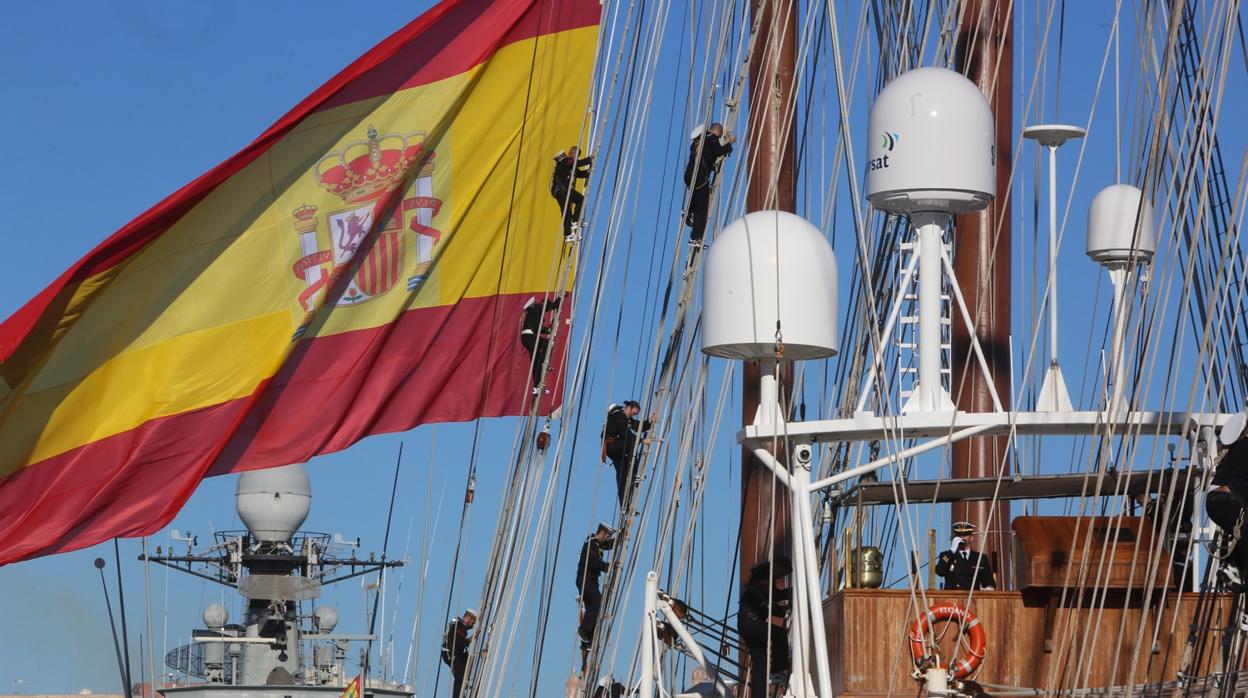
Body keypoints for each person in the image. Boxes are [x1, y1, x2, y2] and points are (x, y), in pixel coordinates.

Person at [738, 557, 792, 698]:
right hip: (751, 623)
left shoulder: (766, 580)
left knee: (760, 663)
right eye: (783, 572)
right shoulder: (763, 577)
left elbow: (774, 596)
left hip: (747, 624)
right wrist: (786, 605)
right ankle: (778, 671)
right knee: (779, 634)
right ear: (778, 566)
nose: (782, 576)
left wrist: (788, 596)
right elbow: (771, 603)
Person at [1208, 412, 1248, 594]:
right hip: (1229, 502)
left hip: (1214, 502)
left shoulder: (1235, 449)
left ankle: (1232, 565)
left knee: (1243, 537)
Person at [683, 123, 735, 246]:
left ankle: (689, 212)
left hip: (689, 176)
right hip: (700, 179)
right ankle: (695, 238)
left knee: (695, 197)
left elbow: (706, 155)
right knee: (702, 209)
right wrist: (730, 143)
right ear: (718, 132)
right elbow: (718, 151)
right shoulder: (712, 138)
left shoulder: (698, 140)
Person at [576, 523, 616, 670]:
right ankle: (583, 631)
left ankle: (586, 643)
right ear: (603, 533)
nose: (608, 539)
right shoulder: (591, 544)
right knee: (597, 602)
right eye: (608, 536)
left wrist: (623, 533)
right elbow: (593, 562)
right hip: (585, 581)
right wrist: (607, 567)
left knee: (593, 612)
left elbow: (608, 546)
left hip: (591, 582)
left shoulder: (597, 544)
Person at [601, 400, 655, 505]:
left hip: (613, 449)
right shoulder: (619, 416)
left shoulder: (625, 417)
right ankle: (634, 474)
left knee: (622, 475)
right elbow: (627, 435)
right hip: (613, 446)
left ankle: (624, 506)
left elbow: (638, 427)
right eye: (633, 413)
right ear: (628, 408)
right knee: (631, 445)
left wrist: (649, 421)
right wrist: (642, 441)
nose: (633, 416)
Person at [934, 521, 997, 590]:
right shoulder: (947, 555)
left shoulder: (980, 558)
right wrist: (952, 551)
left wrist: (989, 588)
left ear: (971, 538)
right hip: (952, 599)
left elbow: (989, 582)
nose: (961, 537)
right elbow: (939, 571)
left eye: (965, 534)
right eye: (958, 535)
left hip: (973, 599)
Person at [519, 295, 561, 393]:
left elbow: (538, 328)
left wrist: (548, 329)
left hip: (528, 338)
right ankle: (543, 363)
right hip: (530, 337)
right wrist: (560, 299)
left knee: (535, 361)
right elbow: (550, 307)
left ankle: (537, 386)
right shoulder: (537, 309)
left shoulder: (532, 313)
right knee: (547, 344)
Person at [551, 146, 593, 241]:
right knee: (566, 209)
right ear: (571, 153)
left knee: (581, 199)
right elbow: (577, 163)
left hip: (566, 190)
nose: (577, 157)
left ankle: (575, 220)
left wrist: (589, 172)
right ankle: (568, 234)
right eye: (576, 155)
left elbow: (579, 174)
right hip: (560, 190)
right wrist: (589, 159)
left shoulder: (571, 164)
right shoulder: (565, 161)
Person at [441, 608, 477, 697]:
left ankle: (463, 685)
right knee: (460, 676)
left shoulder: (456, 623)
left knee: (468, 659)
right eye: (472, 623)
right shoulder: (460, 626)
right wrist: (474, 637)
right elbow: (461, 643)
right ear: (469, 619)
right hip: (451, 654)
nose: (472, 626)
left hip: (452, 653)